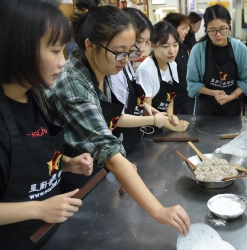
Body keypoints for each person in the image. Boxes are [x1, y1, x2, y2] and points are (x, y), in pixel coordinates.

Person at [48, 0, 190, 235]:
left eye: (130, 51)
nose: (126, 60)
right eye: (119, 52)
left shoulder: (101, 67)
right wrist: (159, 211)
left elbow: (108, 123)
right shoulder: (74, 85)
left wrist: (121, 165)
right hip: (72, 186)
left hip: (92, 171)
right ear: (90, 45)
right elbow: (108, 149)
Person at [0, 0, 94, 250]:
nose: (63, 61)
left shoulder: (35, 96)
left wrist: (65, 163)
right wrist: (40, 208)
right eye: (54, 50)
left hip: (47, 241)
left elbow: (28, 159)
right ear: (18, 49)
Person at [111, 8, 168, 154]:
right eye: (138, 41)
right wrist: (152, 121)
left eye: (146, 42)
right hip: (118, 145)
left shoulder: (128, 65)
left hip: (132, 142)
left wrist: (145, 108)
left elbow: (133, 97)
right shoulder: (114, 70)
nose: (142, 48)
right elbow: (117, 118)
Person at [187, 5, 247, 116]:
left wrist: (231, 96)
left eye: (222, 29)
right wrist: (213, 92)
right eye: (212, 30)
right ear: (206, 29)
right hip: (205, 112)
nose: (218, 34)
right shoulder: (198, 50)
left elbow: (246, 81)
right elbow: (192, 83)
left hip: (232, 111)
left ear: (229, 26)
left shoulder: (240, 49)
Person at [136, 21, 189, 131]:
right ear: (152, 45)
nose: (172, 51)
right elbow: (147, 112)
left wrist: (171, 118)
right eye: (165, 46)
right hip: (147, 129)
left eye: (175, 45)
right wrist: (175, 128)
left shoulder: (172, 65)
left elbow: (170, 97)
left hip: (162, 126)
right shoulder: (146, 69)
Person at [163, 13, 191, 115]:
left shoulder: (182, 47)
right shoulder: (163, 53)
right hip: (170, 104)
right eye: (183, 28)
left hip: (185, 101)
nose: (186, 32)